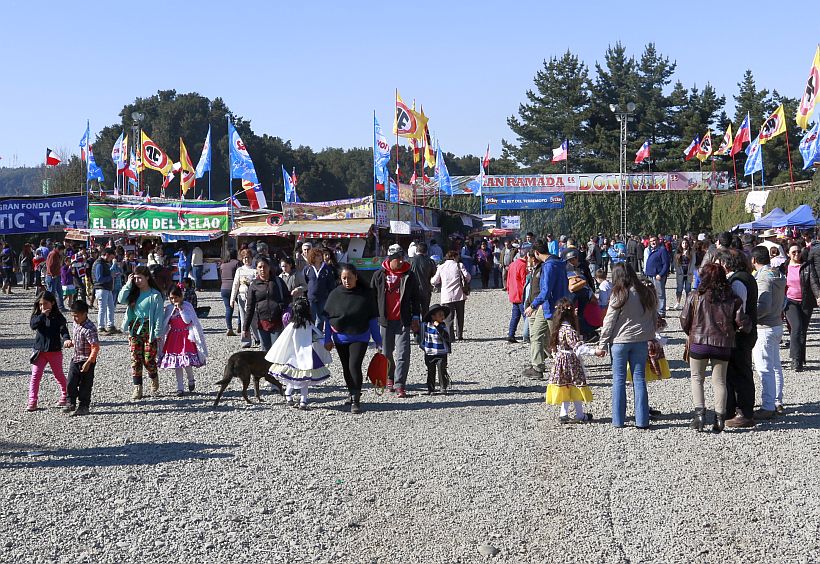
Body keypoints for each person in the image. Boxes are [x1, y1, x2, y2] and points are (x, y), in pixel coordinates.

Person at [680, 263, 747, 433]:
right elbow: (741, 322)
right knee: (719, 381)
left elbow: (684, 319)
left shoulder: (694, 296)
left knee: (697, 378)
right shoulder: (732, 298)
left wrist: (692, 332)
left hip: (699, 343)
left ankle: (700, 415)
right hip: (722, 344)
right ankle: (719, 418)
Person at [596, 263, 657, 429]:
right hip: (641, 340)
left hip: (620, 342)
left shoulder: (618, 293)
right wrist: (652, 336)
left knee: (619, 380)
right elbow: (654, 316)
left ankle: (618, 420)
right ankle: (642, 420)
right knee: (639, 379)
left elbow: (609, 321)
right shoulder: (646, 292)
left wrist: (602, 344)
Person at [323, 263, 382, 413]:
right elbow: (328, 319)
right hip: (340, 337)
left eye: (349, 277)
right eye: (343, 278)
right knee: (345, 367)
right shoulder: (335, 294)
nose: (346, 281)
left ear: (356, 277)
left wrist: (378, 340)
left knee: (354, 365)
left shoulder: (366, 294)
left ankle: (356, 399)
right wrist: (327, 339)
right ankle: (351, 392)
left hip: (360, 336)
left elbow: (372, 319)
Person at [372, 244, 421, 397]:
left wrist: (415, 317)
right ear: (390, 259)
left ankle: (400, 384)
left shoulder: (409, 275)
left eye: (402, 258)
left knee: (403, 353)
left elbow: (415, 298)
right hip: (384, 320)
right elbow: (372, 297)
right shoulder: (379, 275)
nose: (400, 261)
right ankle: (389, 377)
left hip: (403, 320)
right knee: (386, 353)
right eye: (397, 258)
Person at [717, 249, 758, 429]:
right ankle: (735, 409)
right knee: (736, 373)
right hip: (745, 332)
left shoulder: (737, 281)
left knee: (741, 373)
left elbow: (737, 310)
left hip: (740, 334)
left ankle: (744, 413)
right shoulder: (745, 277)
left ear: (725, 264)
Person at [266, 297, 331, 410]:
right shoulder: (308, 325)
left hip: (293, 356)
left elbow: (283, 341)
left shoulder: (291, 326)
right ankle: (302, 401)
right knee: (303, 379)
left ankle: (289, 395)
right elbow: (317, 337)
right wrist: (326, 342)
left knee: (294, 377)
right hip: (307, 356)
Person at [749, 246, 786, 421]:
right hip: (777, 323)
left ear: (754, 260)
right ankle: (777, 400)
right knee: (775, 366)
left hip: (765, 327)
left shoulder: (763, 277)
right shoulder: (778, 274)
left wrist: (751, 316)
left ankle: (768, 406)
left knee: (764, 368)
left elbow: (763, 304)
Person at [522, 241, 569, 380]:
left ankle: (564, 369)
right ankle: (537, 367)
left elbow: (546, 290)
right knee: (535, 334)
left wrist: (533, 305)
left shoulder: (549, 266)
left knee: (557, 340)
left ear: (536, 253)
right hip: (549, 306)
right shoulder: (559, 262)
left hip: (552, 307)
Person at [118, 266, 165, 401]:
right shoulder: (133, 293)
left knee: (148, 358)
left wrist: (157, 332)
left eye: (140, 278)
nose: (137, 281)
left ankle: (153, 376)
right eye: (135, 278)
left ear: (147, 278)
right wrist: (128, 283)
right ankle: (137, 387)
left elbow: (158, 315)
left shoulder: (155, 295)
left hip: (149, 329)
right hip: (135, 328)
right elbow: (121, 299)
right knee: (135, 358)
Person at [545, 298, 594, 424]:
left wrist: (556, 357)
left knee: (566, 386)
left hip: (560, 360)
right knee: (575, 386)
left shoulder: (558, 328)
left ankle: (564, 414)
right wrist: (595, 351)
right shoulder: (569, 330)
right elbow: (577, 346)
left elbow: (554, 347)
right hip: (571, 361)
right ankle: (580, 415)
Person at [158, 285, 208, 396]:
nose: (174, 300)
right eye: (171, 298)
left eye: (176, 297)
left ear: (181, 296)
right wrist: (161, 335)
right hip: (173, 338)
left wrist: (181, 310)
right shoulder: (169, 308)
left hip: (185, 337)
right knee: (177, 363)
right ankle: (180, 387)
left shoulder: (187, 306)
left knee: (186, 361)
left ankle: (191, 379)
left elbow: (187, 321)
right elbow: (166, 323)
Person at [27, 291, 70, 411]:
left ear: (52, 303)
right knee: (35, 376)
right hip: (39, 351)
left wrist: (66, 339)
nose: (42, 307)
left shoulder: (58, 316)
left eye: (45, 304)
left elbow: (64, 329)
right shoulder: (37, 315)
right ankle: (32, 401)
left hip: (54, 351)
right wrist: (42, 315)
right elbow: (33, 325)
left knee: (59, 375)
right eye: (40, 304)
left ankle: (66, 395)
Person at [243, 258, 291, 351]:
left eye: (264, 267)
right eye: (260, 267)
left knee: (277, 350)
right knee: (264, 352)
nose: (262, 269)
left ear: (269, 267)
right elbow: (250, 307)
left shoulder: (278, 281)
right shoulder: (254, 285)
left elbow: (287, 297)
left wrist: (283, 306)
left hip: (277, 321)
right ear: (256, 268)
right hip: (262, 322)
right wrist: (246, 327)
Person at [62, 300, 100, 416]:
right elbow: (78, 340)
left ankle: (84, 406)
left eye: (77, 316)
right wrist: (71, 342)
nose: (74, 319)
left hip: (87, 360)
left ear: (85, 314)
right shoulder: (75, 324)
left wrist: (89, 362)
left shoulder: (90, 329)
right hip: (76, 358)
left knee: (85, 385)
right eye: (73, 316)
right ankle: (70, 402)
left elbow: (95, 347)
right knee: (70, 382)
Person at [782, 245, 814, 373]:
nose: (796, 254)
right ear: (788, 254)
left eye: (798, 251)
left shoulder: (807, 266)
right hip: (790, 302)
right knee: (796, 327)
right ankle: (795, 359)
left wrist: (818, 296)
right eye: (793, 252)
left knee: (803, 331)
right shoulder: (783, 268)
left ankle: (800, 359)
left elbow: (814, 282)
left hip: (806, 302)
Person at [431, 250, 471, 343]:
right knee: (460, 316)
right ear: (454, 257)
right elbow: (468, 276)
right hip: (459, 294)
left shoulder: (441, 267)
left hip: (446, 296)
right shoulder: (459, 265)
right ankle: (460, 335)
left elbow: (434, 281)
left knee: (448, 317)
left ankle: (450, 336)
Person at [420, 304, 452, 395]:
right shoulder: (425, 326)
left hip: (441, 353)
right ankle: (431, 388)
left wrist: (438, 327)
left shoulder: (443, 326)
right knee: (430, 370)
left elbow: (446, 337)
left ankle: (443, 387)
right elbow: (418, 333)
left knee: (442, 369)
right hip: (429, 352)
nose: (442, 317)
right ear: (433, 316)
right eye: (440, 315)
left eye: (443, 315)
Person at [231, 250, 259, 347]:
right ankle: (246, 340)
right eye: (244, 258)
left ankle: (258, 338)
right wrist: (232, 298)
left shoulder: (255, 270)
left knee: (254, 319)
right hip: (242, 297)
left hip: (253, 298)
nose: (247, 259)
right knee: (243, 319)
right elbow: (235, 284)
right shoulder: (239, 270)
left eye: (248, 257)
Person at [304, 247, 336, 332]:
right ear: (313, 257)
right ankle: (310, 334)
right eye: (317, 255)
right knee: (311, 318)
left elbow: (330, 283)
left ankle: (318, 334)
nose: (320, 257)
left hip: (323, 297)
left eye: (320, 255)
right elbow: (305, 281)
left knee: (321, 318)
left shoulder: (326, 269)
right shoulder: (308, 269)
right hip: (311, 298)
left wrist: (330, 295)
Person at [409, 242, 437, 326]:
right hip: (426, 288)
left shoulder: (410, 261)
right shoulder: (430, 261)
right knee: (425, 309)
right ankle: (424, 327)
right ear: (426, 251)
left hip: (413, 289)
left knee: (414, 310)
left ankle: (415, 329)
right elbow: (434, 275)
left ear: (416, 250)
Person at [644, 234, 670, 317]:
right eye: (651, 241)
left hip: (657, 276)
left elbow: (666, 264)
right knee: (651, 293)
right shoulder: (651, 250)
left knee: (660, 294)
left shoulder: (662, 250)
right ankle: (653, 310)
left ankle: (661, 311)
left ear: (658, 241)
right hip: (650, 275)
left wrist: (661, 274)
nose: (653, 242)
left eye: (654, 240)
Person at [93, 248, 118, 335]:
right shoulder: (99, 264)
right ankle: (100, 327)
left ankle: (110, 325)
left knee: (111, 307)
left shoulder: (103, 263)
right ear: (106, 254)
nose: (111, 259)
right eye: (111, 257)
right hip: (101, 288)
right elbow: (99, 278)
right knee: (102, 308)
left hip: (107, 288)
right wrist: (111, 276)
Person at [506, 251, 528, 343]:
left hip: (513, 293)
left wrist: (508, 290)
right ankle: (528, 336)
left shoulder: (512, 264)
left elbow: (508, 279)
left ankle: (511, 335)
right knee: (526, 316)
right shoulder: (523, 266)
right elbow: (524, 281)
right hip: (521, 294)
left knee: (515, 316)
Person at [219, 250, 241, 336]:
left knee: (228, 308)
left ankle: (229, 328)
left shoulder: (223, 265)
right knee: (241, 307)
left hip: (224, 287)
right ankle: (239, 325)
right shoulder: (237, 263)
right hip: (234, 287)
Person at [672, 238, 695, 310]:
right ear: (681, 244)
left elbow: (693, 262)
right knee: (679, 288)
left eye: (686, 243)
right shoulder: (677, 252)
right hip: (680, 273)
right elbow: (675, 263)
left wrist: (691, 271)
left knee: (688, 289)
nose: (684, 244)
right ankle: (678, 302)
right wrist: (678, 271)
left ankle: (687, 303)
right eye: (683, 243)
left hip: (688, 273)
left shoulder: (691, 252)